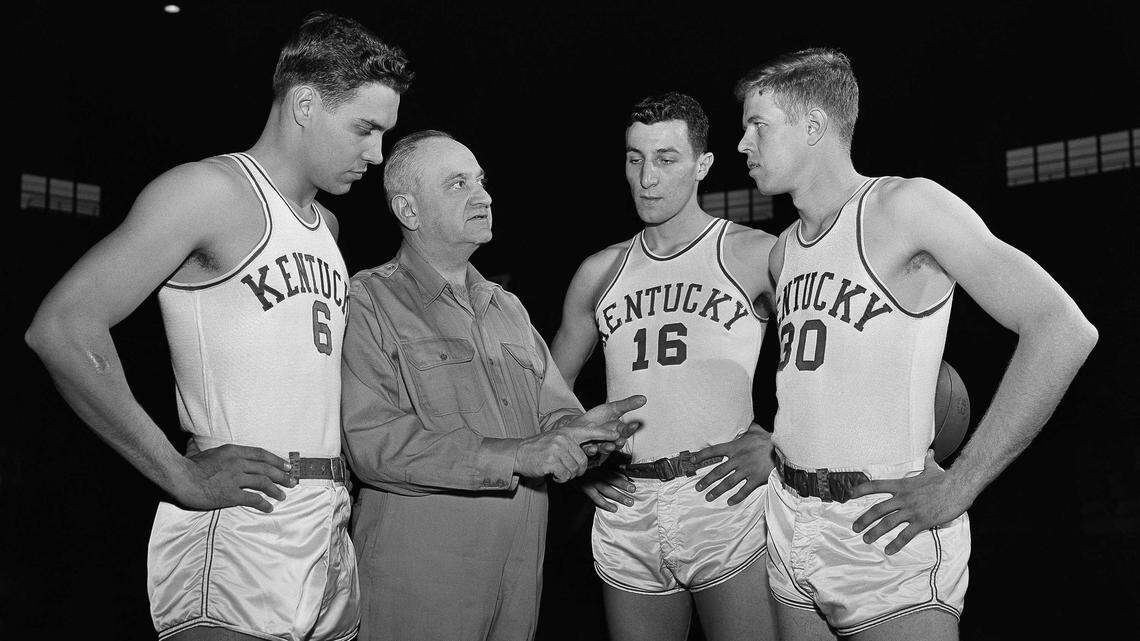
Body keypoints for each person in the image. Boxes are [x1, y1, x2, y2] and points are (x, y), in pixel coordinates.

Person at [24, 12, 413, 641]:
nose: (377, 154)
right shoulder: (209, 192)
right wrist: (179, 475)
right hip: (241, 525)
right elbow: (64, 328)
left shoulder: (329, 230)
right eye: (365, 129)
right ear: (306, 104)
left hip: (326, 524)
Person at [735, 48, 1098, 640]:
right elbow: (828, 377)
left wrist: (963, 482)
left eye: (758, 125)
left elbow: (1063, 328)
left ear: (813, 126)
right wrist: (774, 442)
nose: (743, 144)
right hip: (789, 522)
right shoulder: (784, 252)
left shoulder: (905, 207)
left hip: (884, 526)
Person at [340, 130, 645, 641]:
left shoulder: (506, 306)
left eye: (480, 181)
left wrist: (582, 436)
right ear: (409, 210)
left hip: (520, 585)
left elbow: (551, 417)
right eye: (458, 184)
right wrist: (516, 455)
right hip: (419, 587)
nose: (483, 196)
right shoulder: (367, 302)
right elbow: (372, 444)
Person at [550, 93, 778, 641]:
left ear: (703, 164)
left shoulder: (755, 254)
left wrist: (780, 440)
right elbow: (546, 388)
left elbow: (831, 359)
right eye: (635, 158)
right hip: (628, 502)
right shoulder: (600, 271)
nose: (647, 177)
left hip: (721, 494)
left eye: (666, 159)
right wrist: (573, 454)